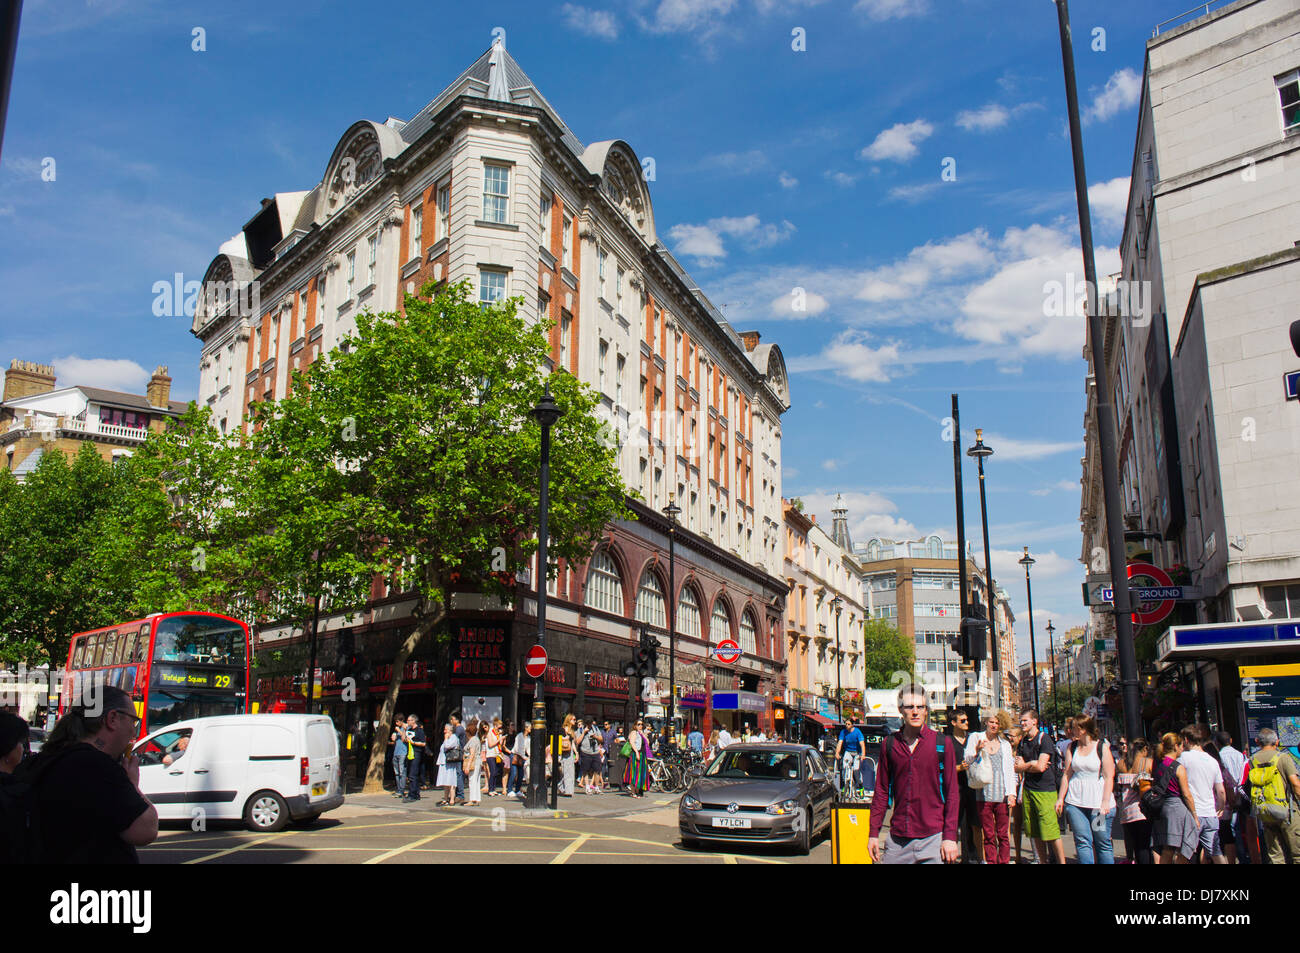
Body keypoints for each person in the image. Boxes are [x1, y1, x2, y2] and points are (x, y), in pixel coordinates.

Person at [24, 686, 158, 863]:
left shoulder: (47, 759)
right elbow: (145, 830)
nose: (133, 732)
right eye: (133, 722)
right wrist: (132, 784)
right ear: (112, 719)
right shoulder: (96, 766)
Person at [867, 683, 959, 864]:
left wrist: (950, 837)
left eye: (920, 707)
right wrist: (873, 833)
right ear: (901, 710)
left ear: (926, 710)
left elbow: (952, 794)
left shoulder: (942, 744)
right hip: (898, 840)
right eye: (910, 707)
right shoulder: (889, 744)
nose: (915, 712)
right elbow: (882, 792)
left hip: (934, 838)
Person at [1055, 714, 1115, 864]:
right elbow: (1067, 774)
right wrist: (1061, 798)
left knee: (1102, 842)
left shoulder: (1101, 747)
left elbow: (1109, 777)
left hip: (1098, 805)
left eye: (1074, 728)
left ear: (1082, 729)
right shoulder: (1072, 747)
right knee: (1082, 841)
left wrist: (1105, 802)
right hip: (1076, 803)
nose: (1071, 731)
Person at [963, 710, 1016, 864]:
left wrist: (1011, 793)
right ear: (986, 722)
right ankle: (991, 861)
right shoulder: (976, 737)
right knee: (988, 833)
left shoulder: (1005, 744)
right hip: (983, 792)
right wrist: (977, 751)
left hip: (1002, 793)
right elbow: (967, 760)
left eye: (997, 723)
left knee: (1003, 834)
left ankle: (1004, 861)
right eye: (992, 722)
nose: (994, 725)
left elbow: (1009, 769)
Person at [1014, 709, 1065, 864]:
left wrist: (1027, 764)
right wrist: (1031, 764)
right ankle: (1043, 861)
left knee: (1051, 831)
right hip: (1029, 789)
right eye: (1021, 720)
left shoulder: (1045, 739)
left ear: (1034, 721)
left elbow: (1041, 766)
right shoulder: (1023, 742)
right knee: (1035, 831)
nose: (1022, 723)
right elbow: (1017, 767)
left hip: (1045, 790)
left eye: (1025, 720)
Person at [1243, 726, 1300, 864]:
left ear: (1257, 742)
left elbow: (1247, 787)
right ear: (1277, 742)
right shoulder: (1283, 758)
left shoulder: (1252, 760)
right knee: (1297, 854)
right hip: (1287, 811)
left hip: (1265, 812)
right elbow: (1295, 784)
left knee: (1276, 856)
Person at [1176, 725, 1226, 864]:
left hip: (1192, 813)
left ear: (1186, 740)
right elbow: (1220, 790)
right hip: (1210, 813)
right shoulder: (1212, 761)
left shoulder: (1183, 758)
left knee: (1185, 852)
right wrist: (1220, 807)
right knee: (1216, 852)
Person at [1151, 731, 1198, 864]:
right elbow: (1186, 794)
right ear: (1176, 746)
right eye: (1181, 746)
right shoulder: (1178, 767)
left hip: (1163, 807)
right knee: (1181, 846)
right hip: (1176, 809)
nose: (1182, 749)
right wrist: (1194, 815)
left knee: (1168, 847)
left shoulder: (1160, 765)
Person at [947, 709, 980, 862]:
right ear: (953, 723)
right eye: (962, 721)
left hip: (973, 788)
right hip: (956, 789)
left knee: (973, 824)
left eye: (967, 720)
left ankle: (971, 856)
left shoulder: (972, 740)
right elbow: (943, 767)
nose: (966, 723)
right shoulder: (948, 742)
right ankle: (951, 856)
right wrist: (959, 768)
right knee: (954, 823)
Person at [1116, 737, 1154, 864]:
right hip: (1142, 811)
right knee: (1144, 846)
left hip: (1127, 812)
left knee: (1135, 846)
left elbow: (1117, 787)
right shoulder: (1147, 763)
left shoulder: (1122, 763)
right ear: (1144, 749)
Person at [1005, 726, 1027, 863]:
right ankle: (1006, 855)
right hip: (1008, 789)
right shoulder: (1005, 750)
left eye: (1013, 736)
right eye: (1009, 736)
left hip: (1019, 788)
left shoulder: (1023, 752)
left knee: (1018, 824)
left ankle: (1018, 855)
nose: (1010, 738)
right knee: (1006, 825)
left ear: (1020, 737)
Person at [836, 717, 866, 796]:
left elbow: (862, 744)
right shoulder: (843, 732)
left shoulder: (857, 732)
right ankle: (844, 786)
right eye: (846, 724)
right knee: (844, 767)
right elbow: (840, 743)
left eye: (848, 724)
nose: (847, 725)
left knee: (856, 771)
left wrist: (863, 754)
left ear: (852, 725)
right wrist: (837, 753)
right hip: (848, 752)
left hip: (856, 753)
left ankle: (860, 787)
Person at [622, 719, 651, 798]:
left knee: (640, 773)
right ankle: (633, 791)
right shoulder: (634, 733)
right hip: (635, 754)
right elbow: (632, 742)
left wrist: (643, 735)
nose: (640, 726)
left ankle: (637, 791)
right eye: (638, 724)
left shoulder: (641, 733)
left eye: (641, 724)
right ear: (635, 726)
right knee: (634, 773)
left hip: (642, 755)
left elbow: (647, 742)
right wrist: (637, 753)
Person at [402, 715, 426, 802]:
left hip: (417, 752)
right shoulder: (409, 730)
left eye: (409, 720)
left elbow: (423, 743)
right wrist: (404, 730)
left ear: (414, 721)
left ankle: (413, 794)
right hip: (410, 753)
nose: (407, 722)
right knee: (411, 774)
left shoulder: (419, 731)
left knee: (413, 774)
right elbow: (403, 739)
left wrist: (414, 742)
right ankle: (415, 793)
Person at [435, 725, 460, 806]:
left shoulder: (454, 737)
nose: (444, 731)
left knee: (451, 781)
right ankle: (445, 798)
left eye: (445, 730)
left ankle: (452, 798)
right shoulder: (448, 738)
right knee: (445, 782)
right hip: (444, 762)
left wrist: (446, 738)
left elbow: (447, 746)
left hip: (450, 763)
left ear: (450, 730)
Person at [578, 718, 603, 794]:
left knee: (597, 770)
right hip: (585, 752)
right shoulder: (581, 729)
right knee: (585, 770)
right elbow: (577, 741)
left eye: (590, 724)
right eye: (587, 724)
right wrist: (584, 733)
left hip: (595, 752)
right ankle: (587, 787)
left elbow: (601, 739)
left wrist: (595, 737)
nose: (589, 725)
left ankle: (596, 787)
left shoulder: (595, 728)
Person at [508, 721, 531, 797]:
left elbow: (528, 749)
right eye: (530, 727)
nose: (531, 729)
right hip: (515, 756)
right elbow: (518, 749)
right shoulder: (519, 736)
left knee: (521, 774)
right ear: (526, 728)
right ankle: (510, 790)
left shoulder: (528, 738)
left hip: (521, 758)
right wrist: (525, 757)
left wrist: (530, 755)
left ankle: (517, 790)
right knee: (514, 773)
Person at [463, 719, 483, 805]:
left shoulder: (472, 740)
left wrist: (468, 766)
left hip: (473, 762)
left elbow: (472, 754)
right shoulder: (477, 739)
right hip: (478, 761)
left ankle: (472, 799)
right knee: (477, 780)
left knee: (472, 780)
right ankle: (477, 799)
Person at [390, 712, 407, 798]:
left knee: (402, 772)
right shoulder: (398, 729)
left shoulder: (406, 728)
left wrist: (399, 731)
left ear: (401, 720)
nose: (396, 724)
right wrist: (394, 738)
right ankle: (399, 788)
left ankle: (402, 790)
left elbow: (405, 739)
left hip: (403, 752)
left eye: (397, 721)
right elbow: (394, 741)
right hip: (396, 752)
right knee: (397, 772)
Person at [483, 718, 502, 797]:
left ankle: (494, 789)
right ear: (495, 726)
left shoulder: (498, 734)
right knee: (493, 771)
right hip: (490, 755)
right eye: (499, 727)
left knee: (496, 772)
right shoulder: (490, 732)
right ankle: (490, 789)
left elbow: (500, 744)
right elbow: (490, 744)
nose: (500, 729)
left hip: (497, 754)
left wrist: (501, 738)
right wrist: (498, 740)